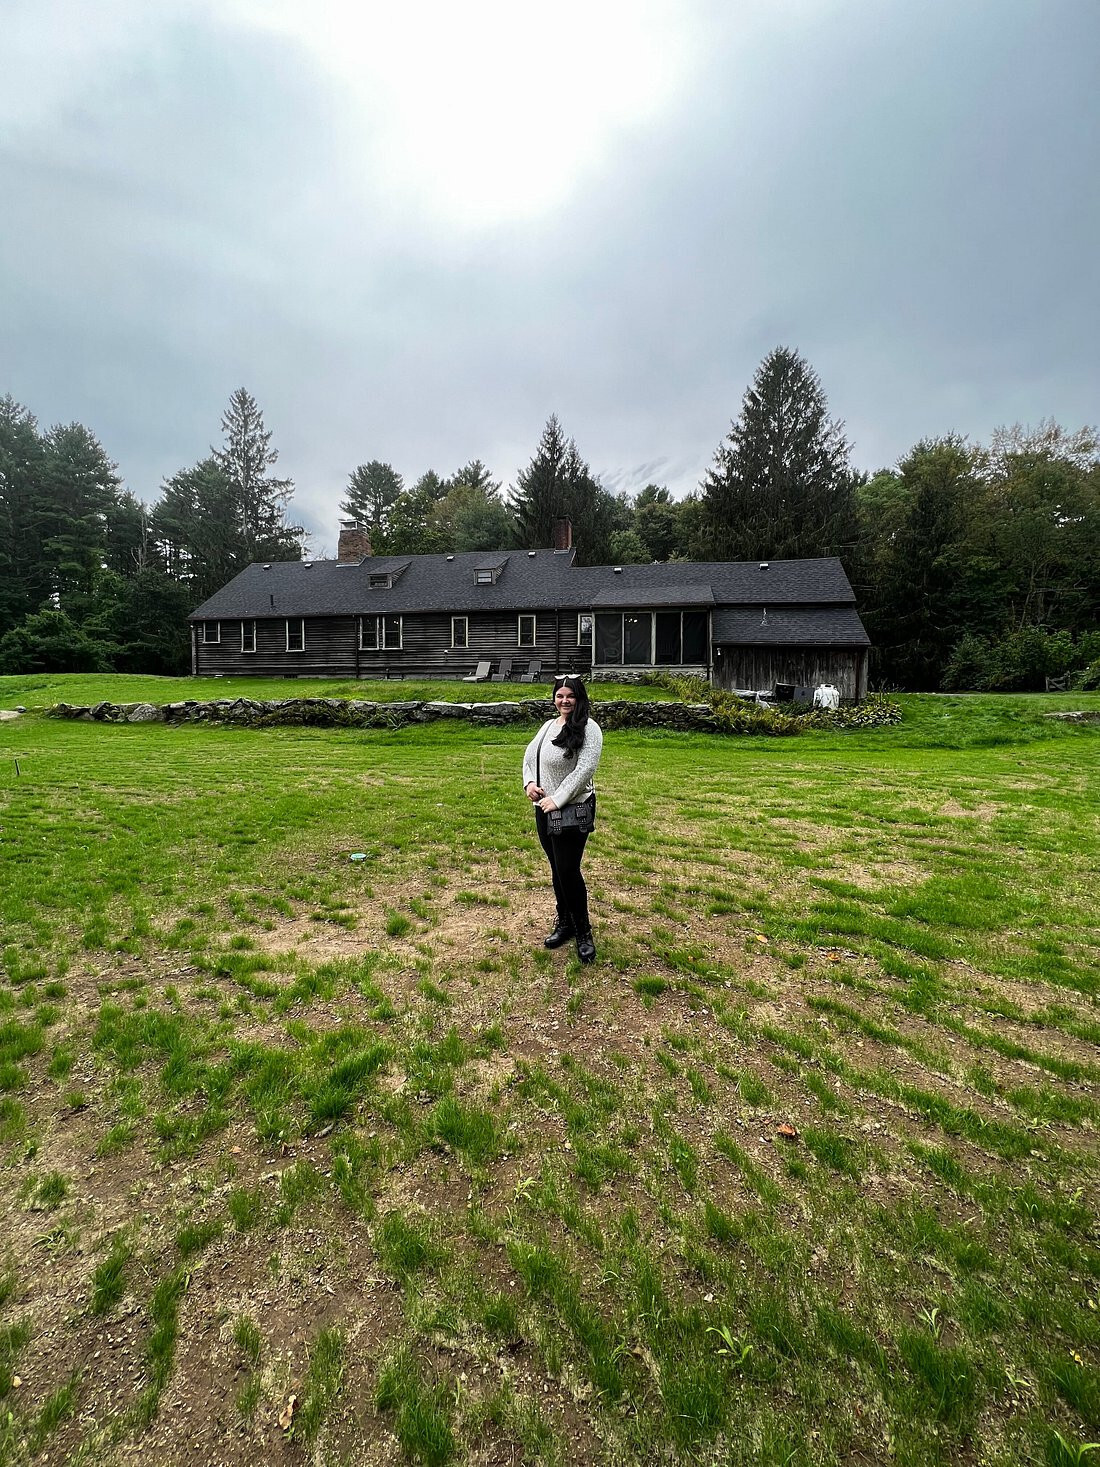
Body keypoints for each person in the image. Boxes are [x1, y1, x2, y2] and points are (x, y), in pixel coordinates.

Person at [522, 675, 603, 963]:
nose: (564, 701)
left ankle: (583, 931)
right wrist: (529, 783)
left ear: (579, 698)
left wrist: (558, 799)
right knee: (556, 869)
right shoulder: (548, 726)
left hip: (572, 811)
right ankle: (565, 923)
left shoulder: (589, 729)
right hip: (544, 810)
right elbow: (530, 757)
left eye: (570, 696)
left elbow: (584, 771)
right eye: (560, 695)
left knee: (568, 870)